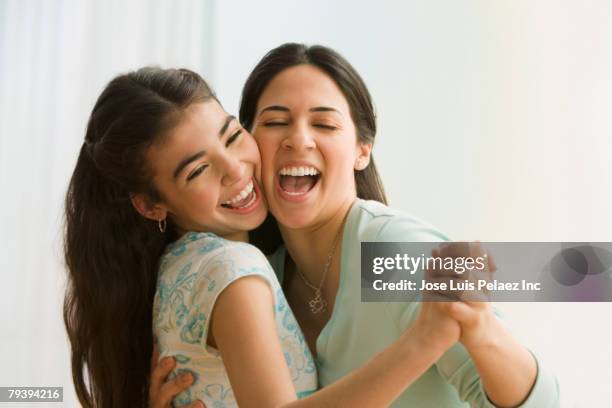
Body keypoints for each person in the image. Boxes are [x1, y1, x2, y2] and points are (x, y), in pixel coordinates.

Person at [151, 43, 560, 407]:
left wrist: (481, 328)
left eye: (324, 124)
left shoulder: (391, 253)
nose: (299, 139)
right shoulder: (260, 273)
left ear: (362, 150)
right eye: (275, 122)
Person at [64, 67, 472, 408]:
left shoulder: (180, 264)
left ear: (362, 148)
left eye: (230, 136)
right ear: (151, 205)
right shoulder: (233, 269)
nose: (236, 170)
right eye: (197, 170)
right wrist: (425, 341)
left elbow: (526, 277)